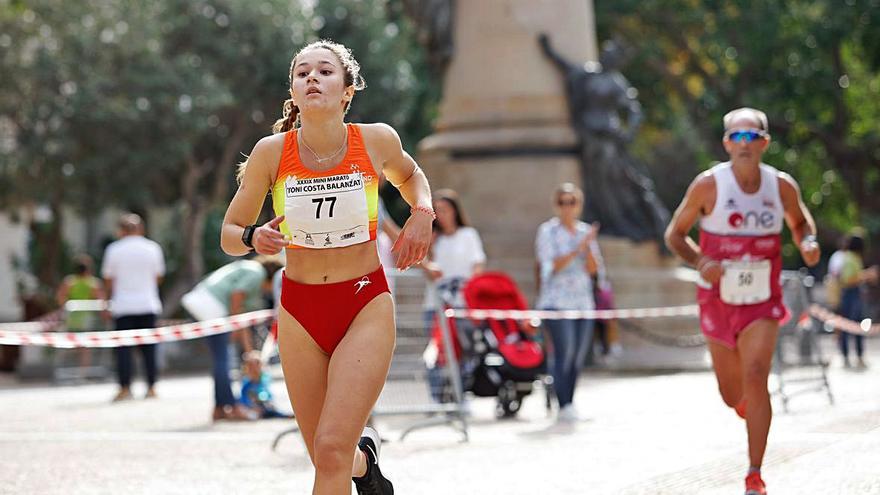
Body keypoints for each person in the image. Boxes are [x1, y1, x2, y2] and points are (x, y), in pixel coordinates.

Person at [220, 39, 433, 495]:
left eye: (324, 71)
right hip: (300, 310)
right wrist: (252, 237)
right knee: (327, 455)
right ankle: (365, 465)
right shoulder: (270, 153)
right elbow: (229, 231)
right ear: (293, 92)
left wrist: (422, 214)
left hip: (363, 303)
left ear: (347, 91)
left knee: (330, 450)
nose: (312, 78)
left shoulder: (376, 140)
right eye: (302, 73)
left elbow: (412, 177)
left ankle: (354, 458)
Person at [664, 107, 821, 495]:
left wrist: (808, 242)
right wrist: (701, 260)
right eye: (737, 137)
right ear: (726, 144)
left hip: (761, 299)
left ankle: (754, 473)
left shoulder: (780, 186)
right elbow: (675, 235)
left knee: (756, 377)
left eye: (752, 137)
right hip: (718, 298)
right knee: (732, 393)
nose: (744, 144)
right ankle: (746, 409)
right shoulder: (708, 186)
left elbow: (800, 222)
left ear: (765, 143)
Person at [181, 256, 283, 421]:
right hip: (211, 307)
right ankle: (232, 406)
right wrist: (236, 328)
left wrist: (248, 348)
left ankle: (220, 407)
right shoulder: (256, 272)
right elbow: (236, 298)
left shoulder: (248, 269)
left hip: (202, 303)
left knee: (220, 359)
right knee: (223, 360)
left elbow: (241, 315)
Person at [535, 182, 600, 422]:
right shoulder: (547, 231)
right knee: (565, 352)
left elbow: (594, 271)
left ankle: (569, 402)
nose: (567, 207)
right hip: (556, 302)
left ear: (579, 205)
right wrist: (577, 249)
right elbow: (550, 267)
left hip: (583, 302)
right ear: (556, 205)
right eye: (563, 202)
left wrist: (588, 249)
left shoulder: (585, 232)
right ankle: (563, 404)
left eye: (572, 202)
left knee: (577, 356)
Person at [419, 189, 486, 399]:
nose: (442, 215)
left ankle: (460, 395)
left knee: (464, 351)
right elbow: (427, 268)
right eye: (437, 211)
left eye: (445, 210)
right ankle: (436, 398)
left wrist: (469, 292)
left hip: (461, 305)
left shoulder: (468, 235)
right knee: (436, 353)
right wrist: (428, 244)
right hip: (435, 305)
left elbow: (477, 265)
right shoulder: (433, 239)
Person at [101, 213, 166, 402]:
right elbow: (159, 276)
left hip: (123, 306)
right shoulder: (153, 248)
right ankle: (152, 387)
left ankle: (124, 387)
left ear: (121, 230)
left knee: (123, 350)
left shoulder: (114, 249)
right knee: (149, 350)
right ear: (141, 229)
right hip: (148, 304)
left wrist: (107, 303)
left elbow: (108, 280)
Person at [832, 234, 878, 368]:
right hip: (850, 294)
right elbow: (848, 280)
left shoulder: (852, 258)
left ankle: (858, 356)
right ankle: (847, 356)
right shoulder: (850, 258)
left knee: (858, 325)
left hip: (854, 294)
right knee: (849, 326)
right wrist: (867, 275)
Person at [56, 254, 105, 368]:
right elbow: (101, 301)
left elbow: (60, 298)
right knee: (85, 347)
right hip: (87, 319)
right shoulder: (93, 283)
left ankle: (67, 370)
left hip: (71, 318)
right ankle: (82, 372)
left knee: (70, 344)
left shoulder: (69, 282)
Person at [240, 350, 292, 419]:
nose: (254, 370)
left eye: (257, 366)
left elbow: (270, 395)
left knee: (273, 409)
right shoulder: (246, 384)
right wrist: (252, 406)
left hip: (268, 406)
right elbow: (244, 400)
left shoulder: (266, 380)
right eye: (251, 367)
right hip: (255, 408)